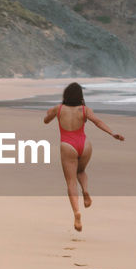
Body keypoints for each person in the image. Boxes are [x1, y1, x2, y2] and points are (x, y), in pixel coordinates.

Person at [43, 82, 124, 231]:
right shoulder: (85, 109)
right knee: (81, 171)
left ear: (65, 95)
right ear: (80, 96)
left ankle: (77, 214)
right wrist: (112, 133)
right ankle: (85, 190)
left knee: (71, 182)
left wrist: (50, 115)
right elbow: (98, 122)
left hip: (68, 145)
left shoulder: (59, 109)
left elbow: (46, 120)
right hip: (85, 145)